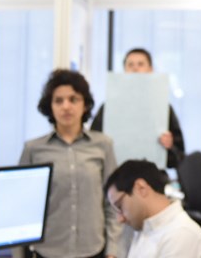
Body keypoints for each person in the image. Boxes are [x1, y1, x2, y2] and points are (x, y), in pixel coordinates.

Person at [14, 69, 121, 258]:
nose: (66, 106)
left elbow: (112, 203)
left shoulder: (103, 145)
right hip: (47, 251)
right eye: (58, 100)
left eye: (73, 99)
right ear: (50, 106)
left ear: (85, 105)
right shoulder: (33, 149)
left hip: (93, 249)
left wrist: (113, 250)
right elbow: (21, 208)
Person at [91, 48, 186, 169]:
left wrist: (170, 146)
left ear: (150, 70)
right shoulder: (109, 107)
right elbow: (93, 143)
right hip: (117, 174)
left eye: (141, 64)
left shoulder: (163, 109)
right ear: (124, 70)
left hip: (153, 175)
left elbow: (180, 157)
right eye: (130, 65)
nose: (135, 69)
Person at [104, 159, 201, 258]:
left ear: (141, 188)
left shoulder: (180, 235)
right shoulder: (144, 227)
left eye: (120, 206)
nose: (120, 218)